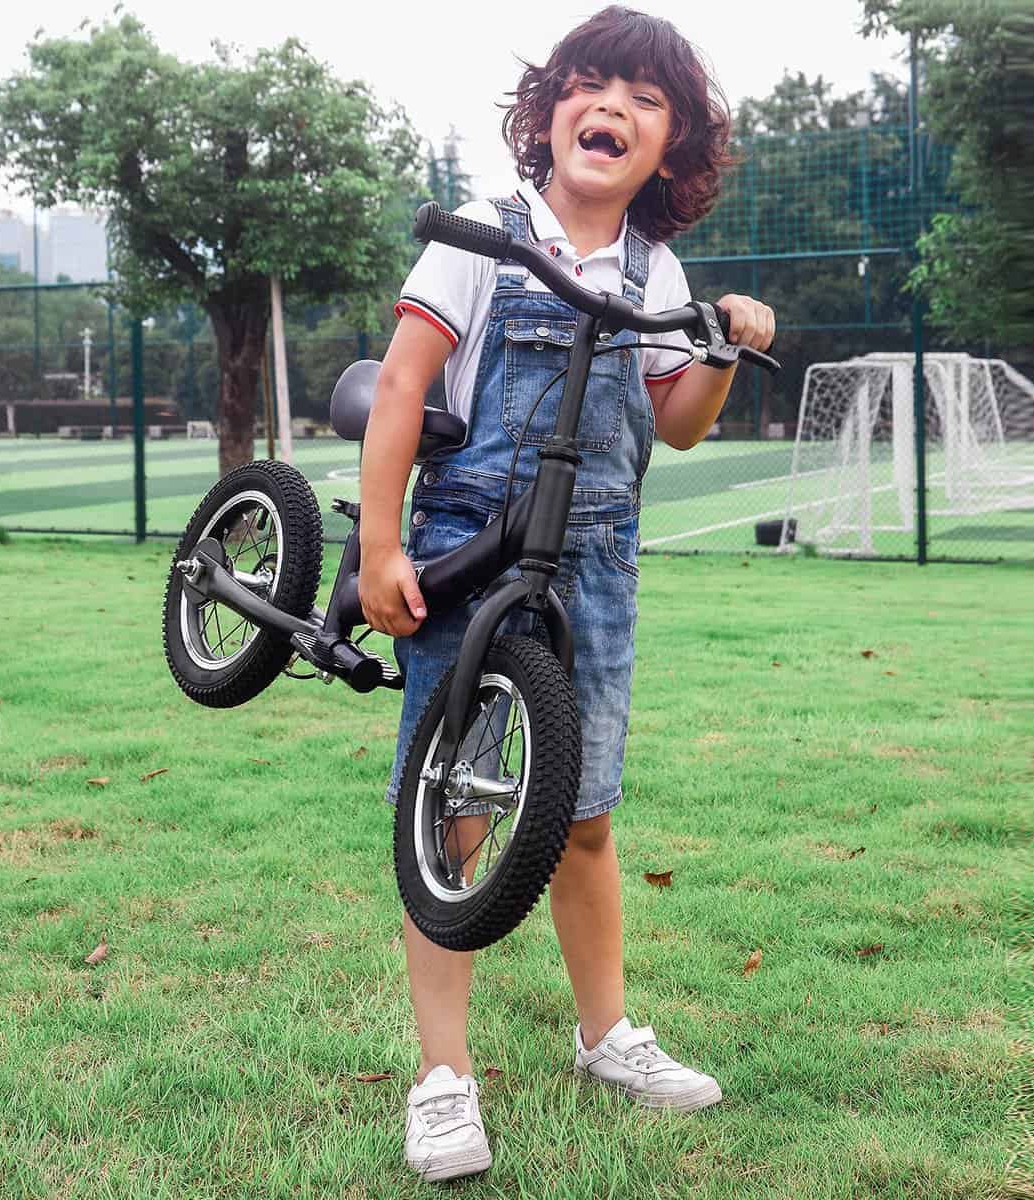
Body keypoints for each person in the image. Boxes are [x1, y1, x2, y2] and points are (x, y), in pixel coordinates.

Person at [357, 6, 775, 1183]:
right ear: (546, 116)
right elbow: (402, 384)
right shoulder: (481, 235)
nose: (615, 111)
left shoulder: (657, 268)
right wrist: (384, 543)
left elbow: (676, 423)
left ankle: (607, 1038)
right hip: (472, 544)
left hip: (594, 564)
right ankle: (443, 1080)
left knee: (584, 815)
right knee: (456, 807)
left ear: (670, 145)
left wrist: (724, 344)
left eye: (646, 102)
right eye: (592, 87)